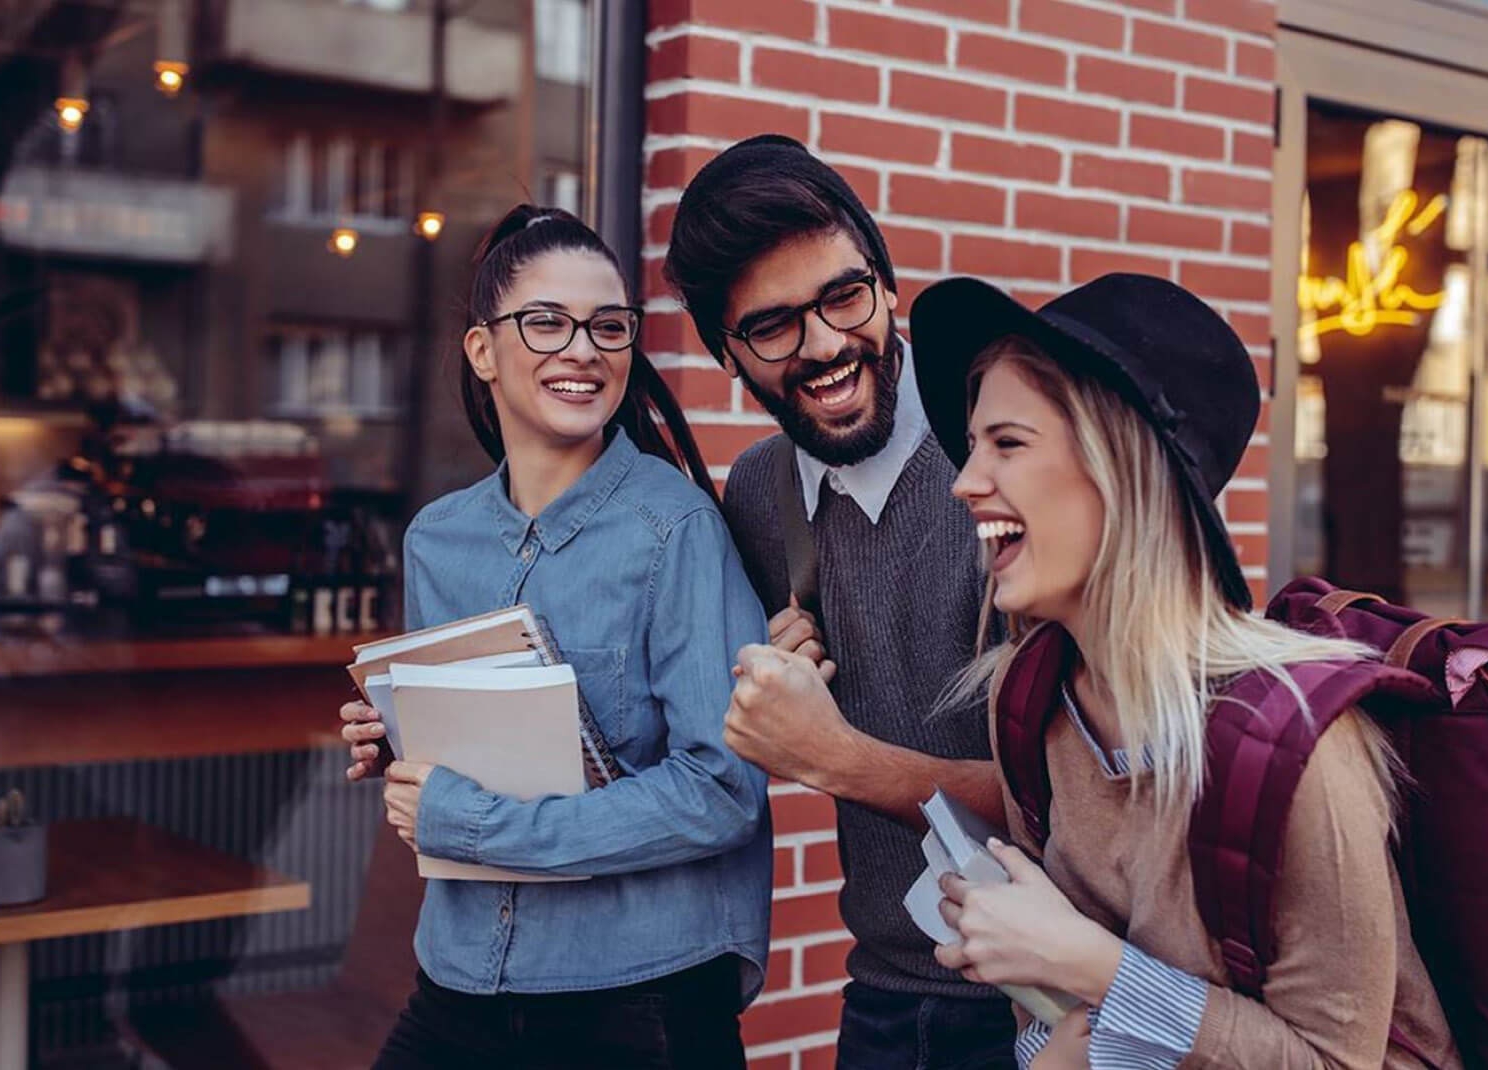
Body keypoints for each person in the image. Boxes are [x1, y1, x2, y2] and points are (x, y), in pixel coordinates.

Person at [912, 273, 1462, 1069]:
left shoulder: (1297, 747)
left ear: (1120, 474)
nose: (964, 481)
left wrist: (1087, 963)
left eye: (1007, 443)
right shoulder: (1030, 700)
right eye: (971, 447)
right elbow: (1071, 1018)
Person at [336, 205, 772, 1069]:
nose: (583, 349)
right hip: (462, 973)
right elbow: (491, 750)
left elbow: (721, 789)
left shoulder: (674, 529)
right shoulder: (437, 539)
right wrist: (404, 740)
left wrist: (472, 822)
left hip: (636, 996)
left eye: (608, 326)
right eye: (546, 322)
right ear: (483, 351)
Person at [662, 135, 1018, 1069]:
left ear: (888, 286)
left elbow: (1076, 795)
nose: (825, 346)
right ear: (727, 354)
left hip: (1054, 1001)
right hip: (888, 996)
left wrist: (836, 756)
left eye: (843, 296)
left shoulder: (1008, 464)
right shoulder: (758, 494)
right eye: (774, 326)